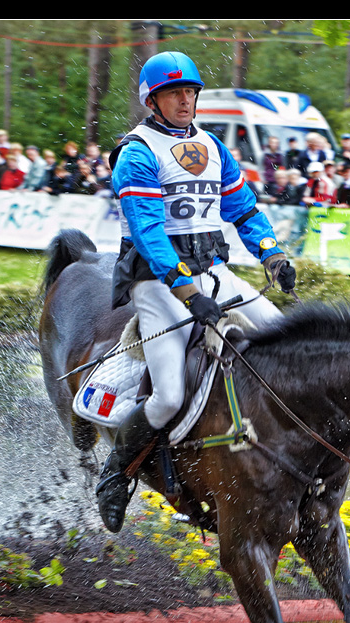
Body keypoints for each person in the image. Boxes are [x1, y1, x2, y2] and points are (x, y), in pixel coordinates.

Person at [97, 50, 296, 534]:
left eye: (190, 92)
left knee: (287, 343)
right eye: (174, 93)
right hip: (157, 282)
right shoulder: (137, 150)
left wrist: (272, 253)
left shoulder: (212, 145)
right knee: (167, 396)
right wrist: (186, 290)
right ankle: (116, 474)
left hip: (213, 272)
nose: (185, 101)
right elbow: (148, 232)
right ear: (153, 99)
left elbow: (244, 211)